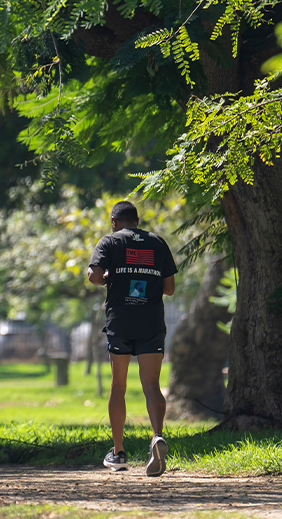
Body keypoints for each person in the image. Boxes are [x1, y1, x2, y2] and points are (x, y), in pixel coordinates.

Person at [87, 200, 178, 477]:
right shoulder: (157, 242)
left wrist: (109, 279)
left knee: (118, 387)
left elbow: (93, 275)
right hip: (151, 322)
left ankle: (118, 453)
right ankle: (157, 435)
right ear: (136, 221)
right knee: (152, 385)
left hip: (121, 322)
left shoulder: (109, 242)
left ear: (114, 221)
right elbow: (170, 288)